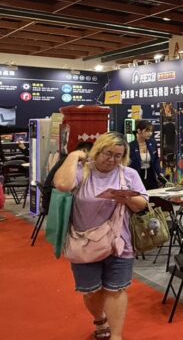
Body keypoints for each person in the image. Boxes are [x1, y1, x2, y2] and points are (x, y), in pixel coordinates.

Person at [53, 132, 148, 340]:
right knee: (91, 290)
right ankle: (100, 319)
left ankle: (116, 335)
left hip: (119, 241)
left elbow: (142, 204)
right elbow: (62, 185)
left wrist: (127, 199)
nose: (112, 159)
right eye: (108, 153)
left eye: (118, 156)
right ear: (97, 151)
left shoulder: (129, 174)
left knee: (116, 289)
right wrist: (73, 156)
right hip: (84, 242)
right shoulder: (82, 171)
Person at [128, 120, 165, 190]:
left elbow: (156, 159)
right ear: (139, 131)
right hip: (137, 175)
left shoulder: (152, 143)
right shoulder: (130, 146)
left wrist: (160, 172)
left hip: (151, 174)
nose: (150, 133)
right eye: (147, 131)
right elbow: (128, 164)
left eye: (151, 131)